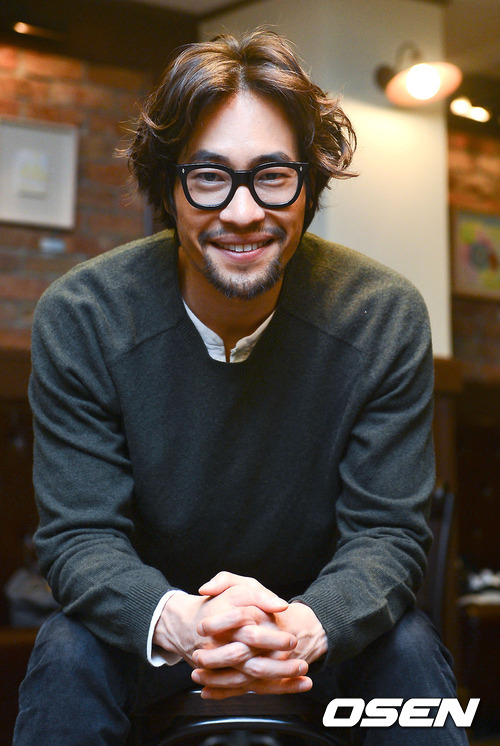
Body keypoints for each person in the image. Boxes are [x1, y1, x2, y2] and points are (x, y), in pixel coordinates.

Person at [14, 28, 467, 745]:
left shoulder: (382, 315)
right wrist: (185, 621)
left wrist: (304, 625)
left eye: (273, 175)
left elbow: (386, 535)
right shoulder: (84, 316)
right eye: (208, 176)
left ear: (308, 185)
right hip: (153, 634)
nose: (243, 211)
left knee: (409, 648)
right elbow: (81, 537)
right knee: (67, 651)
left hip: (322, 633)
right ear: (169, 188)